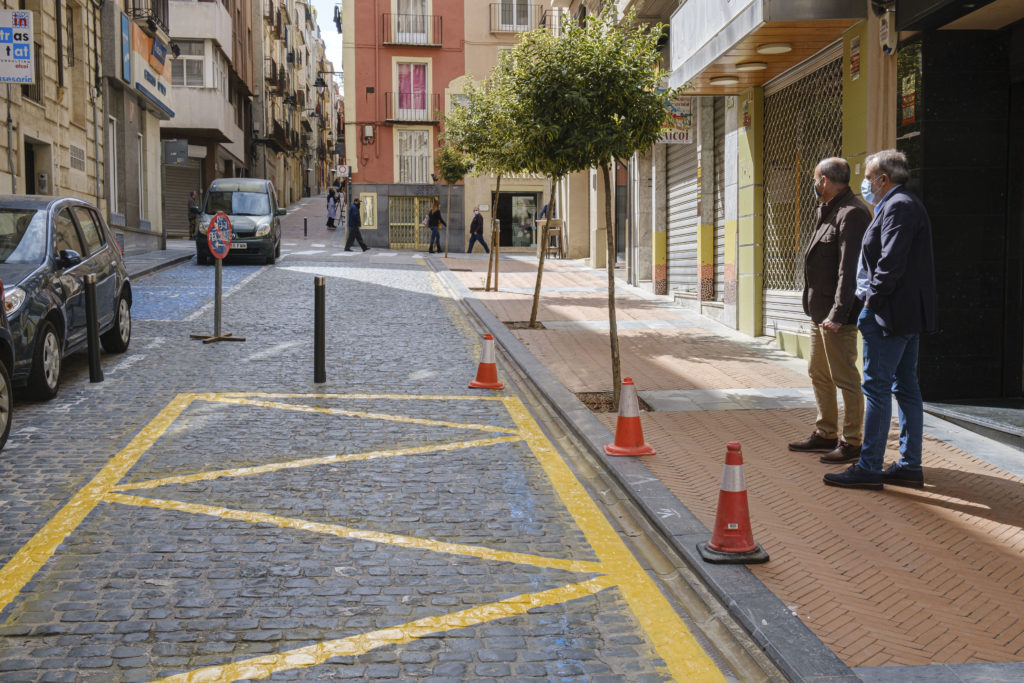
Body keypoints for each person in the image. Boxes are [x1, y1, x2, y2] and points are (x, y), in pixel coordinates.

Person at [824, 149, 937, 491]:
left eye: (870, 177)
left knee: (877, 388)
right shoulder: (901, 204)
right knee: (905, 388)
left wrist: (872, 300)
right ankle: (908, 465)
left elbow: (891, 260)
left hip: (889, 314)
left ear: (883, 179)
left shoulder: (898, 206)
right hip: (903, 314)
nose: (867, 183)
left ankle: (870, 466)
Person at [788, 158, 871, 464]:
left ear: (824, 180)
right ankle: (825, 433)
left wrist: (838, 314)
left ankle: (852, 442)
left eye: (814, 179)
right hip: (819, 311)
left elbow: (849, 271)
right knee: (818, 373)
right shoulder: (828, 211)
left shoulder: (852, 214)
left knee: (844, 377)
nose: (814, 184)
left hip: (838, 316)